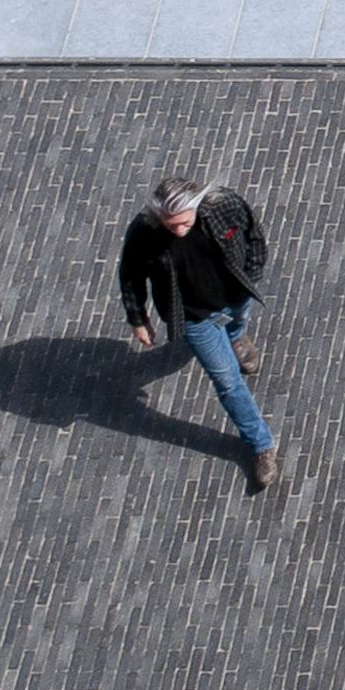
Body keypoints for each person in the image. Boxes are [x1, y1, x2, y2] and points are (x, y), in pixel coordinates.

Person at [120, 178, 281, 489]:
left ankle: (235, 338)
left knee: (236, 322)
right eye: (172, 225)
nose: (180, 230)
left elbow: (253, 233)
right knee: (227, 381)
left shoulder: (224, 205)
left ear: (196, 204)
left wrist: (252, 273)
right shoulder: (144, 233)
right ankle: (261, 445)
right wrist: (138, 319)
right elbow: (130, 275)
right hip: (194, 319)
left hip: (235, 295)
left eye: (185, 222)